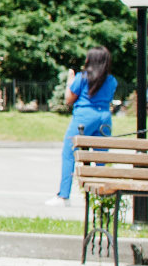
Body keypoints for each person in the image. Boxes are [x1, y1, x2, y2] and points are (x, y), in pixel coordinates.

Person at [48, 46, 116, 206]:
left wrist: (69, 81)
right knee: (100, 157)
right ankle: (100, 196)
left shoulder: (82, 77)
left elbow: (69, 99)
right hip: (104, 118)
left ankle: (64, 195)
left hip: (84, 117)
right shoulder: (112, 80)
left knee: (69, 153)